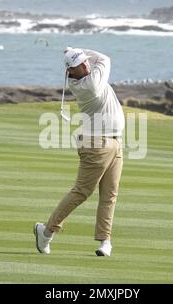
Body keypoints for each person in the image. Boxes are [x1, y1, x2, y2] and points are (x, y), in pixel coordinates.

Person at [34, 47, 125, 256]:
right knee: (81, 192)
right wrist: (81, 49)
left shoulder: (87, 74)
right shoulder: (90, 85)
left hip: (114, 142)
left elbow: (95, 61)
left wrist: (77, 53)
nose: (85, 65)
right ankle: (46, 233)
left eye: (85, 62)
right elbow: (105, 57)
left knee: (109, 195)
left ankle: (105, 241)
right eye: (78, 66)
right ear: (70, 73)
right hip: (97, 144)